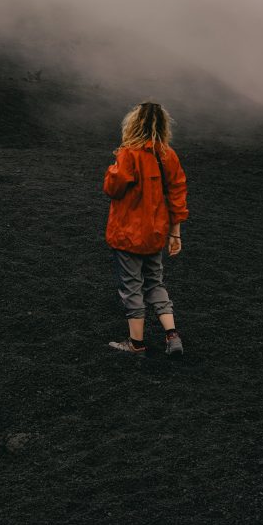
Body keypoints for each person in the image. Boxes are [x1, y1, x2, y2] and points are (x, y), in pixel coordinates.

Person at [103, 101, 188, 356]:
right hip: (155, 233)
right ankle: (171, 334)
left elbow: (112, 188)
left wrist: (114, 165)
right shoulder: (168, 155)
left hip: (127, 234)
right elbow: (177, 195)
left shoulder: (128, 154)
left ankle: (136, 343)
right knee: (155, 282)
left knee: (132, 286)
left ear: (133, 124)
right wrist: (175, 233)